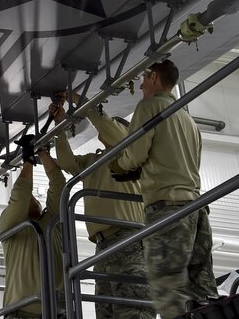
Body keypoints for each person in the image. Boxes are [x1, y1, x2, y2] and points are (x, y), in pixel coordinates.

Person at [112, 59, 218, 319]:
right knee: (201, 287)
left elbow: (135, 153)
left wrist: (119, 165)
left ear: (154, 77)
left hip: (167, 207)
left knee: (167, 285)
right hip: (196, 207)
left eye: (143, 80)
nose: (140, 87)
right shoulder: (187, 119)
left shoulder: (149, 106)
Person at [52, 92, 154, 319]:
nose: (105, 132)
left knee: (133, 309)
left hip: (129, 238)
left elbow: (106, 125)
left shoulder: (131, 155)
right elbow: (68, 162)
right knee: (105, 310)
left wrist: (79, 100)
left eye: (113, 128)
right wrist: (59, 127)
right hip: (103, 244)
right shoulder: (94, 160)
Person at [0, 143, 66, 317]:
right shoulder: (10, 226)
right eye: (30, 197)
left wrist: (42, 153)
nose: (33, 199)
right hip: (21, 312)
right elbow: (20, 195)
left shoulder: (52, 222)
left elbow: (59, 185)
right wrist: (28, 162)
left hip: (57, 312)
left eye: (35, 198)